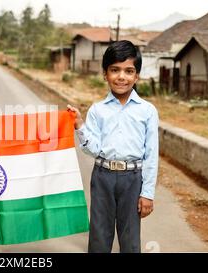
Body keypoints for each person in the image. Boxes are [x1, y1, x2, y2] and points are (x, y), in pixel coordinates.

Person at [67, 40, 159, 253]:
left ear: (137, 76)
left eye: (129, 71)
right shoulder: (98, 110)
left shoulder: (147, 111)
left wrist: (147, 193)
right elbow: (92, 149)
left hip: (133, 179)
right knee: (99, 234)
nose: (121, 76)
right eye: (114, 70)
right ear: (105, 74)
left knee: (130, 237)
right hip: (103, 176)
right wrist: (80, 126)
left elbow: (151, 154)